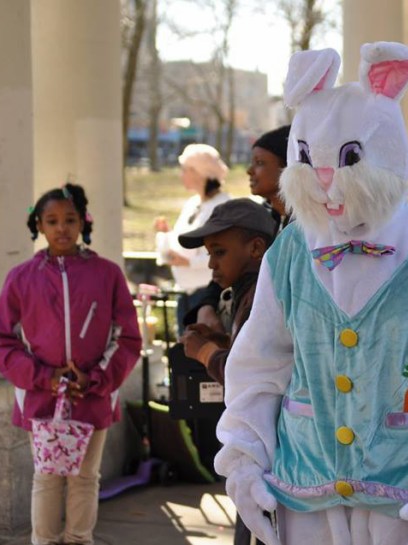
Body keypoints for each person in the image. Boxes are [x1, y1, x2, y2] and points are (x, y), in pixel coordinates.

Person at [215, 42, 408, 545]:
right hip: (304, 491)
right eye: (308, 161)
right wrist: (245, 459)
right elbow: (261, 361)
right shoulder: (290, 250)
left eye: (346, 159)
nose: (324, 181)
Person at [0, 183, 141, 545]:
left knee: (85, 476)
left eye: (70, 220)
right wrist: (44, 377)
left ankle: (78, 539)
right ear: (38, 226)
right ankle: (44, 541)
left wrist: (95, 378)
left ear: (83, 223)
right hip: (42, 397)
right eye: (52, 220)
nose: (62, 228)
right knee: (47, 476)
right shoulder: (21, 279)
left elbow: (127, 338)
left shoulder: (107, 275)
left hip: (93, 394)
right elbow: (4, 341)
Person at [177, 198, 278, 545]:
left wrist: (204, 352)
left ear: (255, 248)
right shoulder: (247, 294)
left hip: (266, 451)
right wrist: (218, 338)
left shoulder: (262, 298)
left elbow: (246, 372)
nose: (211, 264)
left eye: (218, 252)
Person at [186, 126, 292, 333]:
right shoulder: (263, 217)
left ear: (288, 168)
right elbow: (227, 267)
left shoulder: (305, 227)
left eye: (260, 163)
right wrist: (207, 305)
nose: (249, 171)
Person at [155, 143, 231, 334]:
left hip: (207, 295)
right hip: (185, 293)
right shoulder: (192, 204)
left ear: (200, 172)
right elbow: (186, 241)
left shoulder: (223, 206)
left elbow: (225, 253)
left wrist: (189, 262)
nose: (182, 175)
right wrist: (168, 234)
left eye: (186, 170)